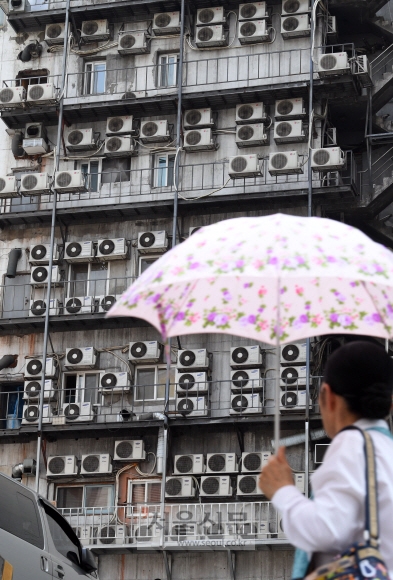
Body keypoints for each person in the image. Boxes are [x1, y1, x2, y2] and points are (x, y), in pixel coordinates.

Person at [259, 341, 393, 578]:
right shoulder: (386, 448)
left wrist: (283, 492)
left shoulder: (352, 444)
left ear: (328, 397)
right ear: (389, 404)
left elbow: (326, 530)